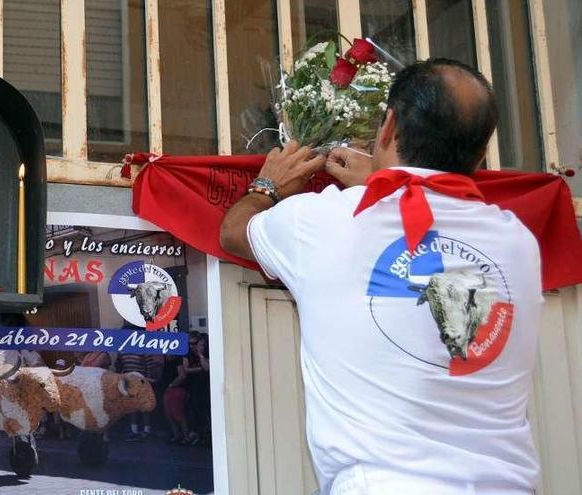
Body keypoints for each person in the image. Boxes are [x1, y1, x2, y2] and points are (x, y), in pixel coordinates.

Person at [220, 58, 541, 494]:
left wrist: (266, 187)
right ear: (481, 153)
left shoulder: (327, 220)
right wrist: (380, 175)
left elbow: (234, 232)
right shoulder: (517, 242)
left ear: (387, 128)